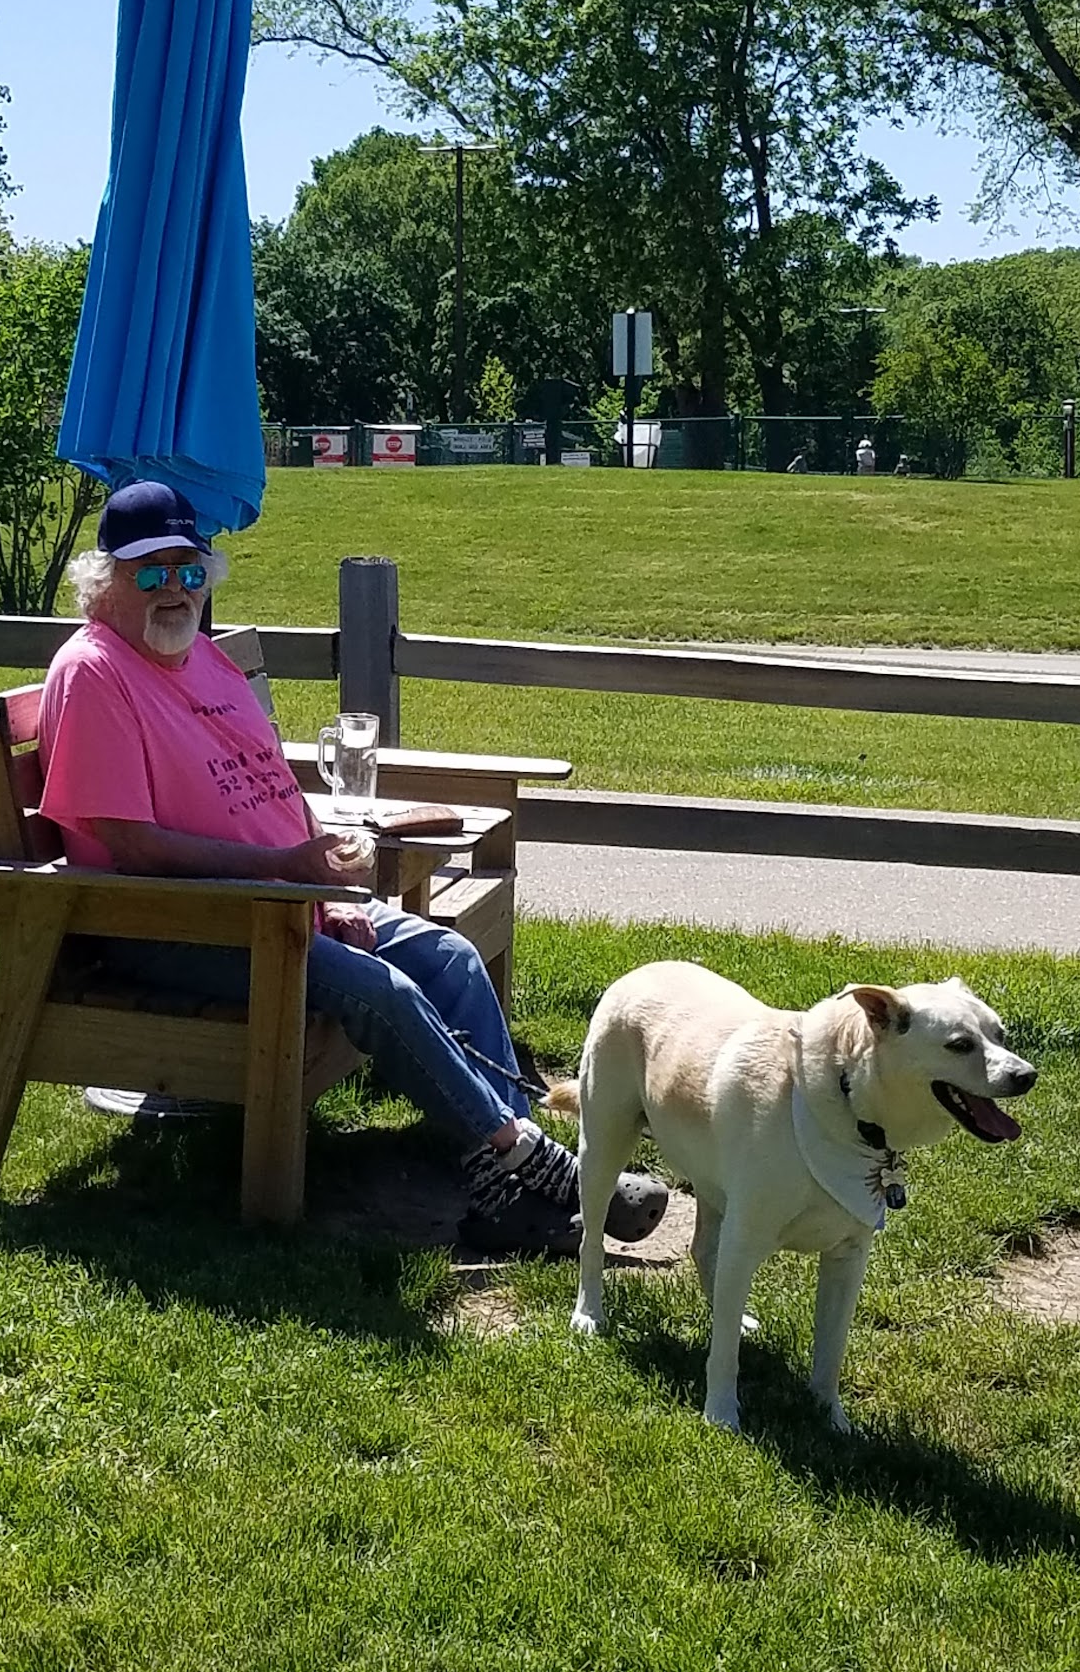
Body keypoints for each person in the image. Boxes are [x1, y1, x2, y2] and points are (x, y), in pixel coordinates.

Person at [39, 480, 667, 1257]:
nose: (176, 589)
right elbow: (127, 842)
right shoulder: (95, 672)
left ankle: (510, 1174)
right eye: (151, 572)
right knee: (386, 990)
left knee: (450, 956)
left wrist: (323, 885)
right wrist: (282, 870)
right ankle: (536, 1170)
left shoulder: (203, 658)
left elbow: (271, 780)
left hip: (279, 900)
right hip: (176, 922)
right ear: (105, 583)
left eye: (190, 571)